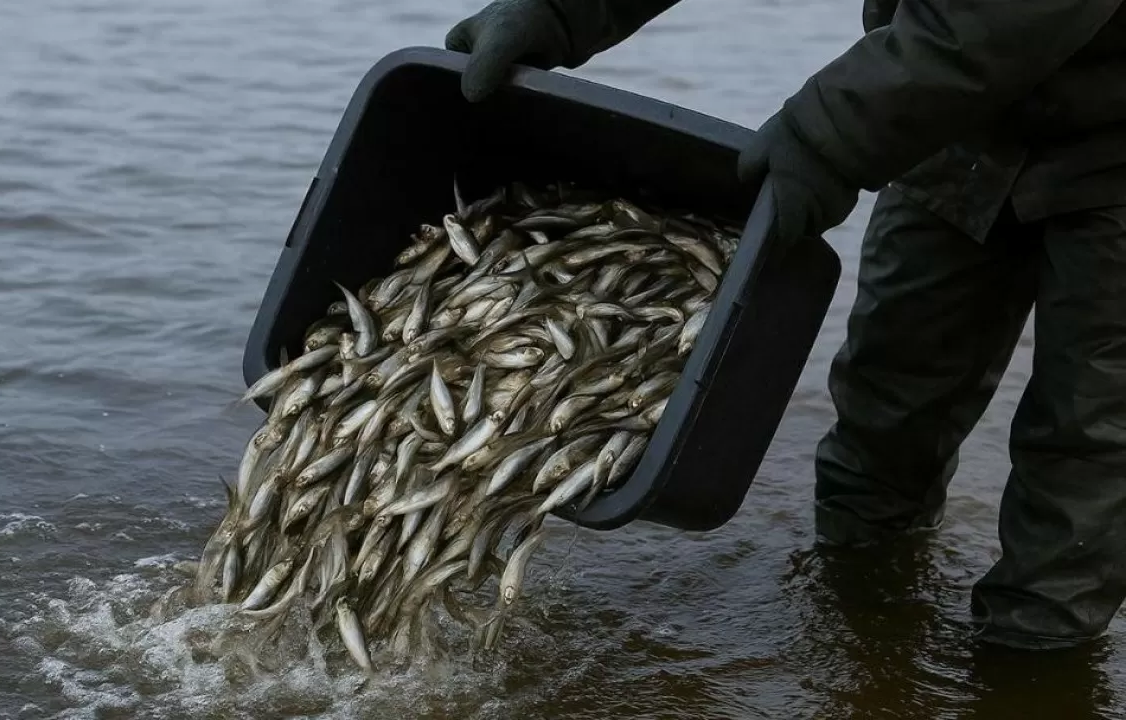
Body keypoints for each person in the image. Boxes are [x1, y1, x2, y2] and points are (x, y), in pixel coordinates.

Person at [444, 0, 1126, 651]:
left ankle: (1034, 669)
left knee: (1087, 454)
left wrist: (828, 137)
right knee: (887, 406)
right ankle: (861, 645)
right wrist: (564, 11)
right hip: (950, 117)